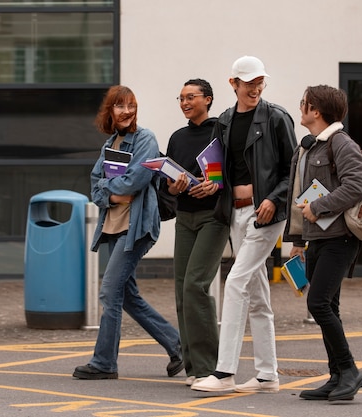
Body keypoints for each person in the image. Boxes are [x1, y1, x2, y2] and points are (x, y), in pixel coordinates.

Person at [191, 56, 296, 393]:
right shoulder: (224, 120)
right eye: (248, 82)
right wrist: (212, 181)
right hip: (236, 212)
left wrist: (273, 200)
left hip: (266, 213)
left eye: (259, 81)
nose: (256, 87)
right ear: (233, 83)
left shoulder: (276, 117)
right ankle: (268, 376)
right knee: (256, 294)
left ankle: (224, 372)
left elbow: (291, 170)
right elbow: (224, 167)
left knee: (235, 283)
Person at [72, 85, 183, 380]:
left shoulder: (144, 138)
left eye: (131, 105)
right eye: (120, 106)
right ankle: (178, 346)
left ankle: (104, 363)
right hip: (114, 226)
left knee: (109, 292)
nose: (127, 111)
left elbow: (137, 179)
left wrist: (108, 191)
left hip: (138, 227)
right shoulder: (112, 143)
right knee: (127, 296)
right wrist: (110, 196)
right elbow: (95, 185)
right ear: (110, 111)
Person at [283, 85, 362, 401]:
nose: (301, 107)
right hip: (316, 239)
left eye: (304, 103)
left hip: (340, 239)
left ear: (316, 110)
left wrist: (318, 207)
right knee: (328, 305)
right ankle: (337, 376)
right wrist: (297, 242)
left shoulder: (341, 144)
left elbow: (356, 186)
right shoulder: (308, 148)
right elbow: (296, 198)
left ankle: (350, 371)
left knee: (317, 303)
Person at [164, 79, 230, 387]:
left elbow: (229, 172)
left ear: (209, 99)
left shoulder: (222, 131)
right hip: (184, 217)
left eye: (191, 97)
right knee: (181, 290)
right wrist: (172, 185)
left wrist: (216, 184)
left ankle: (208, 368)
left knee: (195, 286)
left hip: (213, 217)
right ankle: (193, 369)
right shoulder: (178, 137)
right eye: (181, 98)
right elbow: (169, 177)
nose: (185, 102)